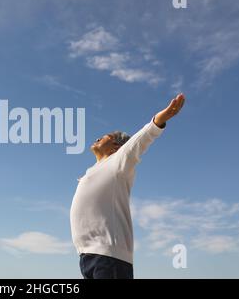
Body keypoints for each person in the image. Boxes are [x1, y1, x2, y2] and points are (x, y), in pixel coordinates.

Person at [70, 93, 185, 279]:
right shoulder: (92, 171)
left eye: (104, 137)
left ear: (116, 146)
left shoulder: (119, 161)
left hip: (109, 256)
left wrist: (159, 120)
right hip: (87, 256)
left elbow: (140, 141)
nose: (98, 138)